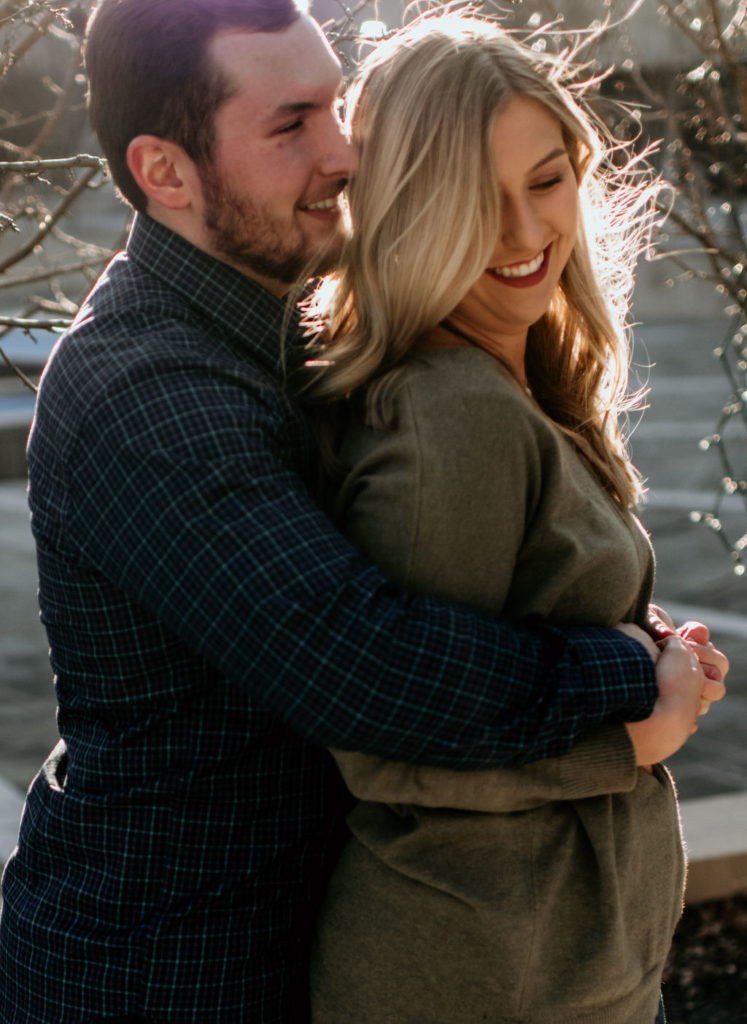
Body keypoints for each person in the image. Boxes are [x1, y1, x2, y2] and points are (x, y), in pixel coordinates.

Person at [0, 2, 720, 1023]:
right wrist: (627, 680)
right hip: (166, 967)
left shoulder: (285, 320)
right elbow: (360, 661)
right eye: (291, 125)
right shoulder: (145, 390)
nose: (344, 154)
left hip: (301, 938)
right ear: (165, 172)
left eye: (336, 106)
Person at [304, 12, 729, 1024]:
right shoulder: (452, 410)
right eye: (474, 200)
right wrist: (637, 734)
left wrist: (648, 652)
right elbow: (392, 746)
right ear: (405, 205)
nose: (527, 233)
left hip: (558, 972)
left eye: (545, 181)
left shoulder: (518, 372)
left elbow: (513, 642)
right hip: (481, 980)